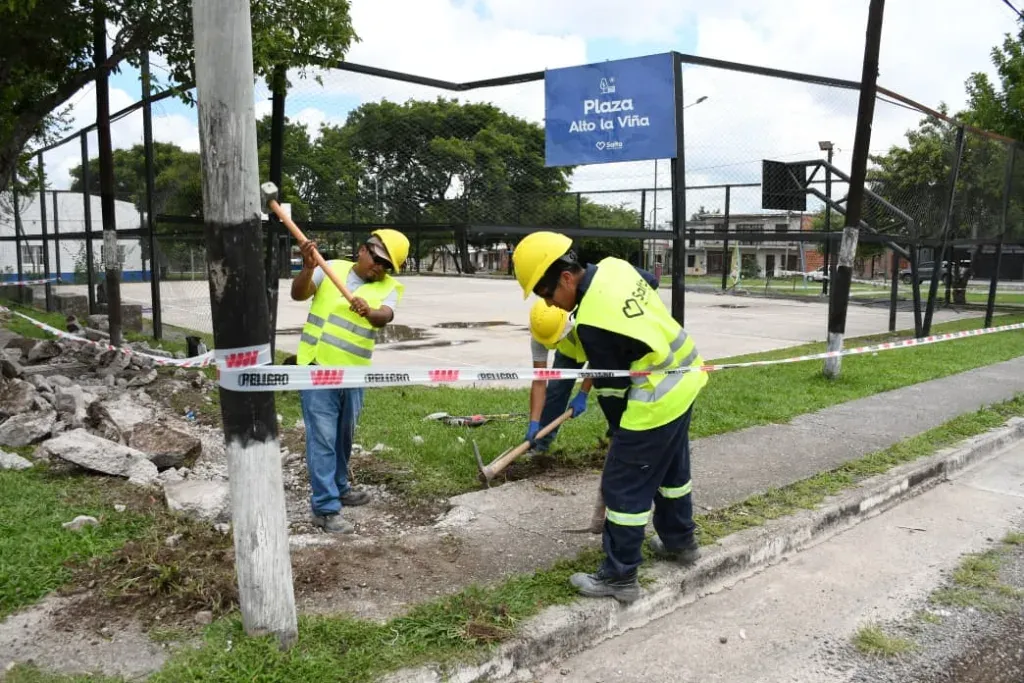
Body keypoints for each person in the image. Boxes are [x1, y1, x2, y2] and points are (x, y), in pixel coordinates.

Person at [512, 232, 708, 603]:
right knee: (671, 472)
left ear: (566, 278)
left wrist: (621, 434)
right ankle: (680, 542)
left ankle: (620, 576)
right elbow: (649, 284)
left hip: (655, 396)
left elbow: (613, 389)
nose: (549, 303)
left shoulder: (593, 323)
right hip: (686, 376)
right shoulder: (615, 267)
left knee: (623, 485)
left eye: (546, 293)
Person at [290, 229, 410, 534]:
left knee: (343, 436)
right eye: (378, 259)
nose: (380, 268)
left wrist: (369, 311)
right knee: (323, 437)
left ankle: (340, 487)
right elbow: (298, 294)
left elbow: (385, 316)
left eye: (387, 265)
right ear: (363, 250)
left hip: (354, 374)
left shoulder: (390, 287)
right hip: (317, 367)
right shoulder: (330, 268)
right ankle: (325, 508)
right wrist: (308, 269)